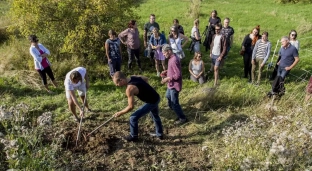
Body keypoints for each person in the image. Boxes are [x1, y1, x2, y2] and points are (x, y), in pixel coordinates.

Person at [113, 71, 164, 142]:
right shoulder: (133, 77)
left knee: (133, 118)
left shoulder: (129, 89)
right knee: (155, 116)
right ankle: (160, 134)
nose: (117, 85)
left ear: (121, 80)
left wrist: (120, 113)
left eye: (117, 84)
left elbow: (131, 107)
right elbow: (146, 78)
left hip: (151, 102)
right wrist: (145, 90)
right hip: (156, 97)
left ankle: (133, 136)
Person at [161, 44, 187, 124]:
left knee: (174, 103)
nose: (163, 54)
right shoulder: (170, 58)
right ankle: (173, 108)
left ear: (169, 51)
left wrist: (167, 78)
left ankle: (182, 118)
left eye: (164, 53)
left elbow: (178, 75)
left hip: (174, 86)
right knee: (167, 96)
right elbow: (172, 70)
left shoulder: (174, 60)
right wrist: (166, 72)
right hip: (170, 84)